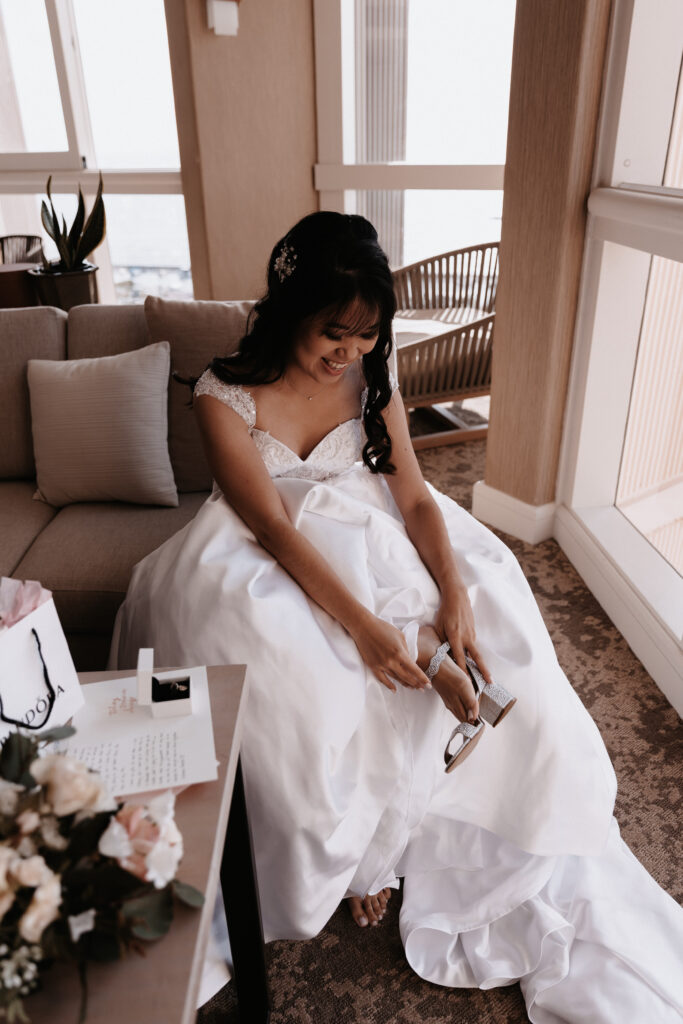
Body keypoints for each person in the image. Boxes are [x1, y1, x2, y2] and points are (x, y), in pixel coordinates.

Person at [110, 212, 682, 1021]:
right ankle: (356, 854)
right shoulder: (222, 393)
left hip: (368, 516)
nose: (348, 352)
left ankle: (436, 673)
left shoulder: (373, 378)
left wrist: (451, 588)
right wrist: (362, 630)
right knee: (310, 682)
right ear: (288, 312)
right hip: (265, 544)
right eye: (331, 334)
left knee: (498, 612)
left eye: (366, 335)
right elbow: (271, 525)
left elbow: (412, 492)